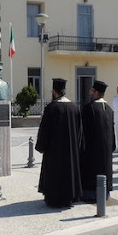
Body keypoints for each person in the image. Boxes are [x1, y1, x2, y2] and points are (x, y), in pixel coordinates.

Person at [35, 78, 83, 208]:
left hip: (54, 150)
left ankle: (54, 199)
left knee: (54, 174)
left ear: (54, 92)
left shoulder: (51, 108)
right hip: (70, 151)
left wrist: (41, 146)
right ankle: (69, 198)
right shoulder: (74, 107)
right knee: (69, 173)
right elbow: (80, 131)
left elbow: (44, 129)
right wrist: (77, 147)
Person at [80, 80, 115, 202]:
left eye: (92, 91)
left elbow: (82, 131)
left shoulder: (89, 108)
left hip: (92, 150)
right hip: (106, 150)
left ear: (96, 92)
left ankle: (90, 195)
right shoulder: (109, 109)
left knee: (92, 173)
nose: (90, 93)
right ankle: (104, 193)